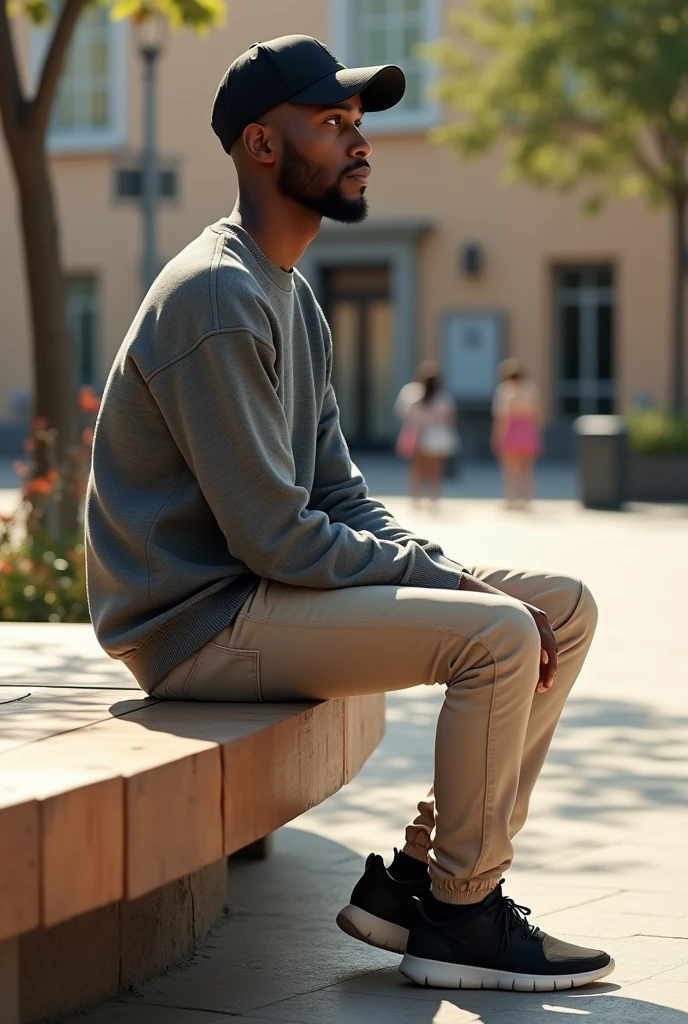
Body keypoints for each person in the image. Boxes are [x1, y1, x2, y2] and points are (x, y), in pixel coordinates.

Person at [84, 35, 613, 991]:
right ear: (261, 145)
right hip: (197, 623)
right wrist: (460, 591)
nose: (359, 141)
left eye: (358, 122)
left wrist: (447, 567)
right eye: (331, 123)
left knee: (561, 606)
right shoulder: (217, 295)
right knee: (495, 637)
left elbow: (339, 496)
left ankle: (418, 881)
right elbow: (273, 534)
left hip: (261, 596)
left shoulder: (291, 297)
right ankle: (464, 912)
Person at [394, 361, 459, 505]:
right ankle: (434, 497)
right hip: (437, 436)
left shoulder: (411, 392)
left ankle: (415, 497)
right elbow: (450, 417)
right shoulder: (442, 396)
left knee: (417, 468)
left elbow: (403, 412)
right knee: (436, 469)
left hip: (417, 434)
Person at [492, 358, 544, 510]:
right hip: (528, 430)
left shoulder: (504, 391)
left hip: (512, 431)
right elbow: (537, 415)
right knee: (527, 469)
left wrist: (497, 436)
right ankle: (527, 499)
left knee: (510, 469)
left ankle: (511, 499)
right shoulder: (531, 390)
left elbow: (502, 416)